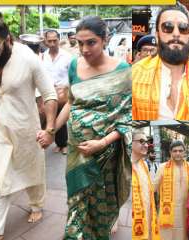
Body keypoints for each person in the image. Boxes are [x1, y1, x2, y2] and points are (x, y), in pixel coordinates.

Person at [38, 16, 132, 240]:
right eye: (79, 43)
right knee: (77, 198)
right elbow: (71, 102)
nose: (84, 49)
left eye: (91, 42)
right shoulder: (74, 65)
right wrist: (51, 131)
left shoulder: (123, 71)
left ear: (104, 39)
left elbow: (127, 117)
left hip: (105, 153)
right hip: (76, 149)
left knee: (102, 202)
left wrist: (102, 143)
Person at [0, 15, 58, 240]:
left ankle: (36, 205)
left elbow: (49, 94)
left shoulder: (29, 58)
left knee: (33, 170)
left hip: (27, 129)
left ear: (8, 40)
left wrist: (50, 129)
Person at [132, 4, 189, 120]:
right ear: (157, 35)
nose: (176, 33)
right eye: (167, 27)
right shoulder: (134, 75)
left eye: (183, 28)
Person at [154, 140, 189, 240]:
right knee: (166, 235)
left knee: (183, 235)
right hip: (167, 211)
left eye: (180, 151)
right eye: (175, 151)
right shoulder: (162, 167)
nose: (178, 153)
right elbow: (153, 188)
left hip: (185, 211)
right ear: (170, 152)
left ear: (185, 152)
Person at [42, 30, 72, 154]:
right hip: (47, 92)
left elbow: (72, 75)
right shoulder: (43, 56)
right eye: (50, 41)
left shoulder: (67, 57)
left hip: (62, 92)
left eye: (55, 40)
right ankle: (53, 141)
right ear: (45, 41)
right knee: (50, 117)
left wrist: (66, 87)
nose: (53, 43)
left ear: (59, 40)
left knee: (61, 117)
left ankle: (63, 144)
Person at [132, 129, 160, 240]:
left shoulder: (143, 165)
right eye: (141, 141)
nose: (146, 145)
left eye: (147, 142)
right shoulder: (125, 165)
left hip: (147, 220)